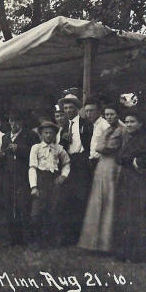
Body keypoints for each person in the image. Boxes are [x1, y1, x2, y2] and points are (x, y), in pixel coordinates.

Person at [78, 104, 125, 253]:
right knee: (98, 201)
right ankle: (93, 243)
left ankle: (107, 244)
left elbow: (108, 148)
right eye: (107, 115)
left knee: (109, 201)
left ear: (117, 115)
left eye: (112, 114)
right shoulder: (106, 129)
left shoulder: (122, 130)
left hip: (112, 165)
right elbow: (98, 147)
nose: (109, 117)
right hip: (101, 166)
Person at [113, 110, 146, 262]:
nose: (128, 124)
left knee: (136, 216)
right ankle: (126, 253)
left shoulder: (145, 140)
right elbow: (119, 158)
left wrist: (134, 161)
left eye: (132, 121)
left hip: (138, 183)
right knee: (127, 216)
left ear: (140, 124)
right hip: (127, 181)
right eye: (126, 122)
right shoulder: (131, 139)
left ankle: (137, 254)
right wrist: (129, 158)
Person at [58, 93, 93, 246]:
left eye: (71, 107)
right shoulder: (64, 126)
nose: (68, 111)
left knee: (81, 197)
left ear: (77, 108)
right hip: (69, 162)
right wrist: (64, 141)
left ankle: (82, 235)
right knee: (68, 199)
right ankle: (69, 236)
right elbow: (61, 147)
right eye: (65, 108)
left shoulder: (85, 123)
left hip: (82, 162)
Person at [0, 111, 40, 246]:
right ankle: (13, 239)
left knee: (24, 206)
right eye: (11, 121)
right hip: (9, 176)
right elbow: (5, 154)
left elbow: (36, 152)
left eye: (16, 121)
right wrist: (2, 155)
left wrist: (20, 148)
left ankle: (26, 239)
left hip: (24, 176)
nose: (13, 124)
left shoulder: (31, 135)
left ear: (22, 122)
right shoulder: (5, 137)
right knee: (10, 206)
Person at [29, 121, 70, 248]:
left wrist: (63, 176)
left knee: (53, 210)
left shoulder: (59, 149)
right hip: (41, 179)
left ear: (54, 135)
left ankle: (52, 241)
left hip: (54, 180)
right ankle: (36, 241)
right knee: (36, 212)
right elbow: (32, 167)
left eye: (51, 133)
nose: (48, 135)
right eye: (45, 133)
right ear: (41, 135)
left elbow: (67, 163)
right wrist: (34, 186)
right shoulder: (36, 148)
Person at [84, 98, 110, 171]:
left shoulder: (104, 124)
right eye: (86, 111)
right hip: (93, 162)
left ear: (99, 111)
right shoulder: (94, 125)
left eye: (91, 111)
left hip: (102, 162)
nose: (88, 114)